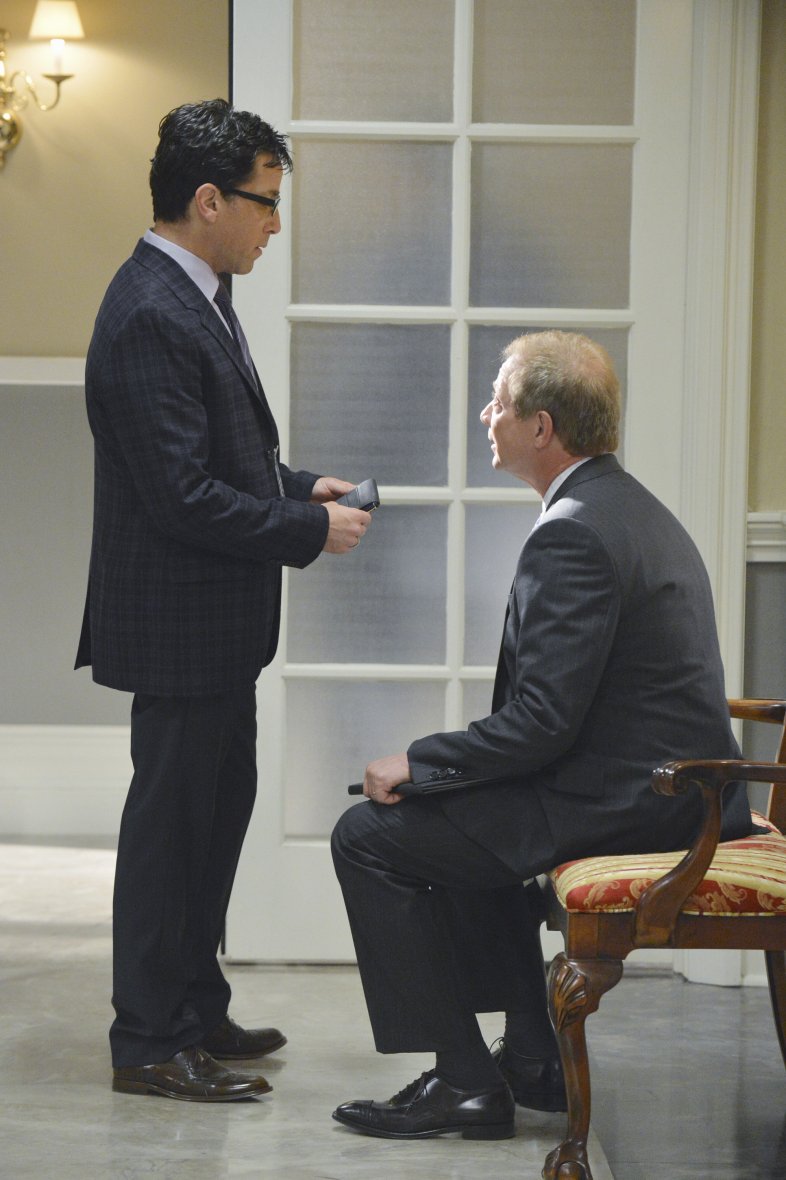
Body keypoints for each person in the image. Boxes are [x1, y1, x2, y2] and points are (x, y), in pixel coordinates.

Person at [330, 329, 753, 1141]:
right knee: (460, 813)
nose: (485, 415)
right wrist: (445, 774)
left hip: (636, 799)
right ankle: (530, 1057)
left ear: (542, 426)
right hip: (657, 785)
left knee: (368, 837)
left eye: (498, 402)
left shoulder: (575, 532)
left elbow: (542, 726)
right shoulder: (624, 506)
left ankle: (465, 1081)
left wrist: (418, 761)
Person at [75, 99, 372, 1102]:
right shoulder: (150, 311)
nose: (274, 224)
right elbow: (181, 496)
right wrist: (305, 532)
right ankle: (148, 1041)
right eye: (265, 202)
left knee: (210, 825)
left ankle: (195, 1009)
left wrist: (301, 488)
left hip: (214, 632)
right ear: (209, 200)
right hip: (178, 631)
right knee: (171, 837)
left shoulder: (195, 293)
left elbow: (222, 459)